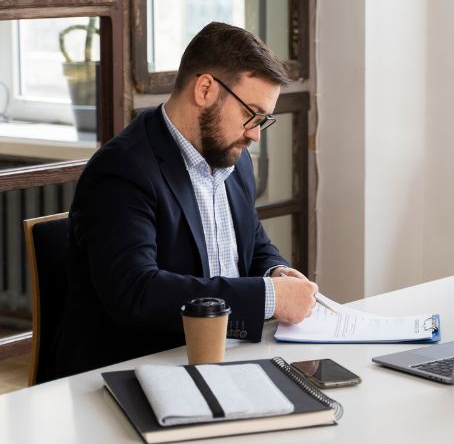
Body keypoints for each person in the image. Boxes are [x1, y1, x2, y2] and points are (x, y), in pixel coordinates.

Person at [54, 22, 319, 377]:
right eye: (250, 114)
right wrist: (270, 297)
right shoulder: (121, 170)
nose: (255, 134)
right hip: (134, 374)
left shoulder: (232, 157)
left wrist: (276, 272)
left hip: (224, 362)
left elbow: (254, 243)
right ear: (206, 89)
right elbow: (137, 292)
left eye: (263, 120)